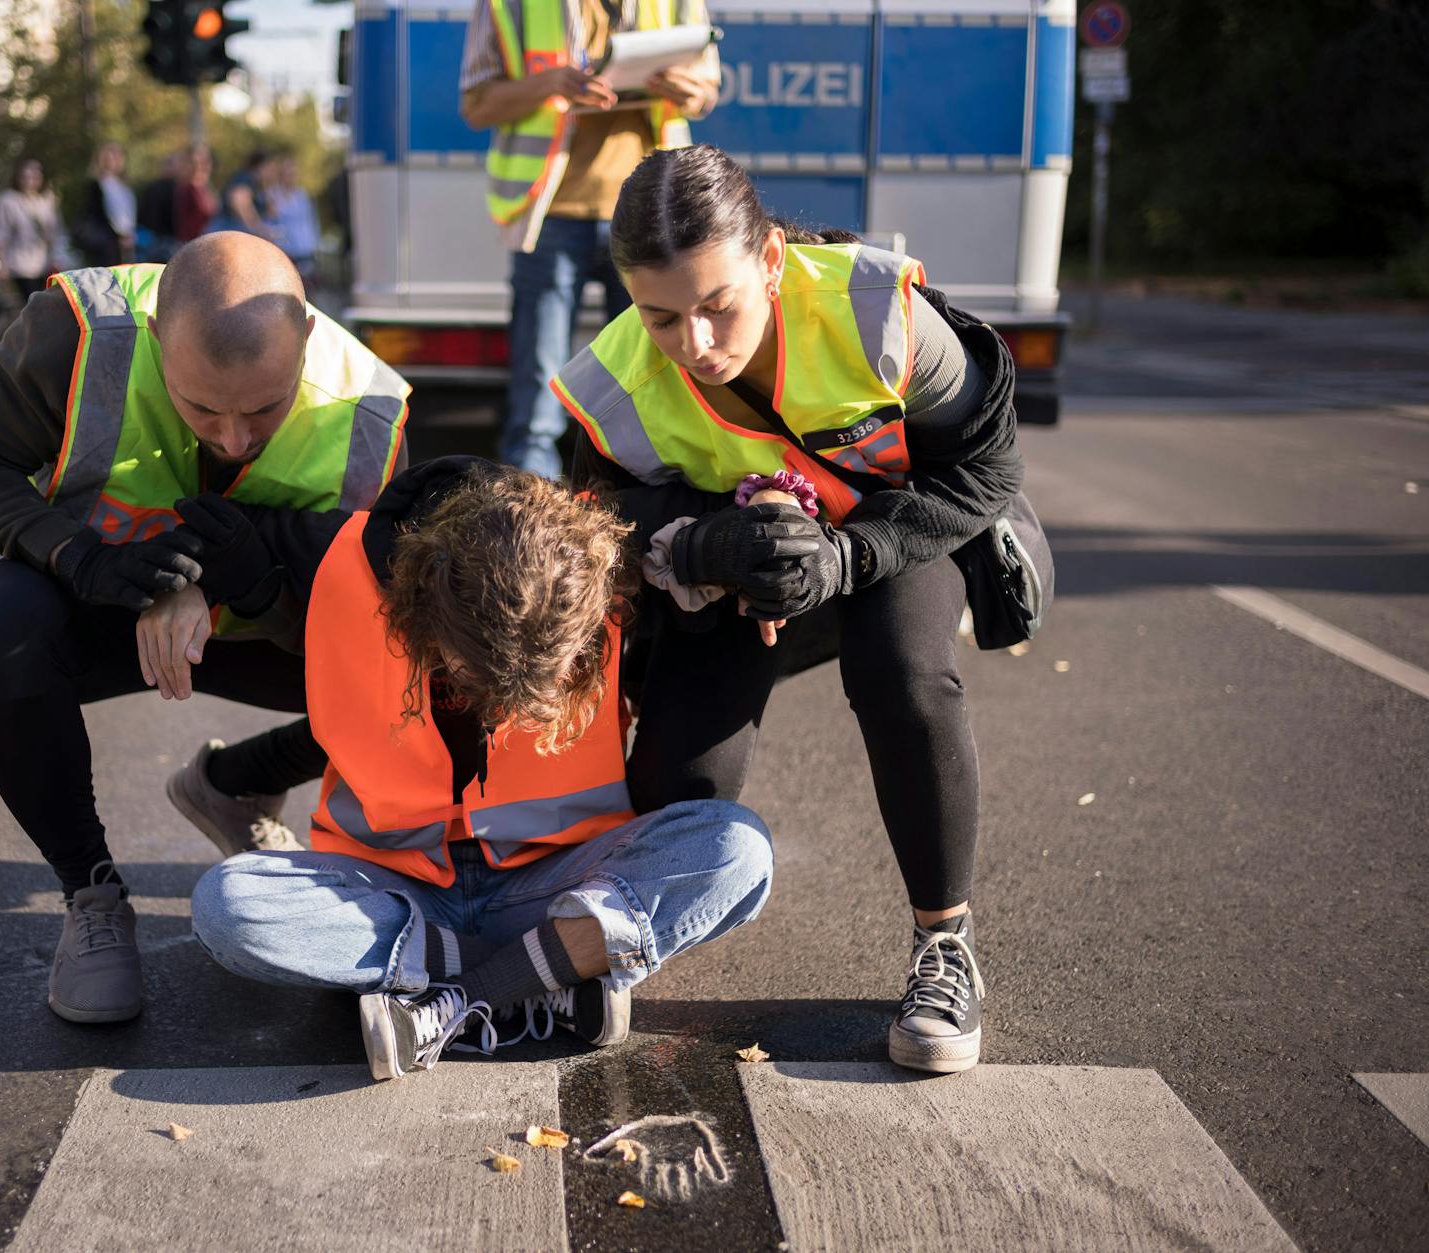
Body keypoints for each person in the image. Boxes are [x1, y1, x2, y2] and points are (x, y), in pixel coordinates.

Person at [552, 145, 1052, 1075]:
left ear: (771, 261)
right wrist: (708, 547)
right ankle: (616, 937)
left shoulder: (876, 311)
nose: (695, 344)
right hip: (744, 561)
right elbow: (595, 525)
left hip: (897, 529)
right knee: (682, 757)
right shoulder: (612, 380)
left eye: (718, 306)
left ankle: (945, 945)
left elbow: (985, 469)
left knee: (899, 668)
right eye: (660, 316)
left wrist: (848, 555)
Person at [0, 232, 412, 1025]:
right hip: (101, 603)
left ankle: (240, 780)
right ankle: (92, 892)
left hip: (262, 628)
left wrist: (240, 582)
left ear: (308, 338)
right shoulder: (78, 335)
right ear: (154, 336)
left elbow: (356, 626)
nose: (233, 438)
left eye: (263, 406)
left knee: (415, 651)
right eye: (201, 407)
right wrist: (77, 557)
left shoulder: (373, 413)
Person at [185, 457, 773, 1081]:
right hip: (392, 888)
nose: (498, 709)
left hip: (552, 882)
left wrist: (778, 534)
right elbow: (199, 525)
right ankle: (545, 973)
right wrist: (184, 588)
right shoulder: (339, 557)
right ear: (426, 613)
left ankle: (459, 996)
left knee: (737, 850)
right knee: (228, 905)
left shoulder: (606, 556)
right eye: (473, 676)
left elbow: (757, 506)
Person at [460, 0, 718, 479]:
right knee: (537, 405)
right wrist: (550, 84)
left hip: (650, 218)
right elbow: (476, 104)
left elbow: (705, 92)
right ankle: (526, 523)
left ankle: (643, 518)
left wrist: (687, 90)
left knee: (655, 388)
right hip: (553, 213)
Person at [0, 157, 69, 302]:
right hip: (20, 265)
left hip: (44, 264)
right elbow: (0, 234)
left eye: (35, 176)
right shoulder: (9, 200)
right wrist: (1, 263)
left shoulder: (46, 200)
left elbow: (56, 231)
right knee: (31, 305)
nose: (30, 181)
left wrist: (58, 256)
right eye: (26, 176)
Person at [75, 142, 136, 266]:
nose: (112, 162)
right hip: (107, 243)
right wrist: (118, 235)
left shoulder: (124, 185)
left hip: (124, 242)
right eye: (108, 158)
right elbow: (97, 213)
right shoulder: (97, 184)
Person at [266, 154, 320, 282]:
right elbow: (269, 221)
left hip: (305, 251)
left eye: (294, 173)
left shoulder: (302, 195)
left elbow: (311, 221)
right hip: (285, 251)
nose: (291, 177)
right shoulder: (272, 194)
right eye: (287, 173)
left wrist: (315, 244)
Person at [210, 150, 278, 240]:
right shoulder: (246, 178)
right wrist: (257, 228)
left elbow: (272, 212)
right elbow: (238, 199)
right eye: (271, 168)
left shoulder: (256, 185)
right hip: (226, 233)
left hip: (227, 234)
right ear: (261, 166)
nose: (272, 173)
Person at [173, 145, 217, 246]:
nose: (201, 166)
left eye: (205, 162)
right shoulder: (186, 189)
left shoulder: (206, 188)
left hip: (207, 242)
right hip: (192, 245)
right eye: (196, 163)